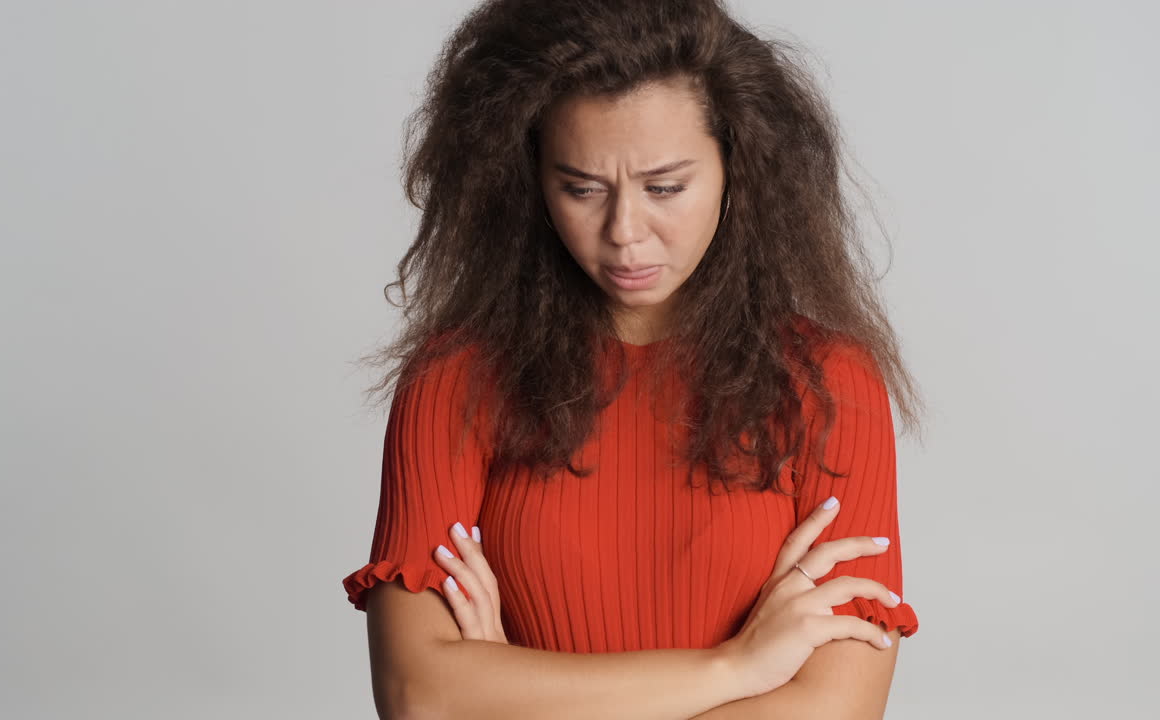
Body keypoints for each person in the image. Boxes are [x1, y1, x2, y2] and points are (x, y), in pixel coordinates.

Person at [341, 0, 924, 717]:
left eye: (664, 188)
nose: (624, 232)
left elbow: (837, 710)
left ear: (738, 167)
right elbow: (419, 698)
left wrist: (510, 693)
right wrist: (733, 668)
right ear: (528, 180)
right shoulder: (456, 379)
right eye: (581, 188)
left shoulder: (830, 387)